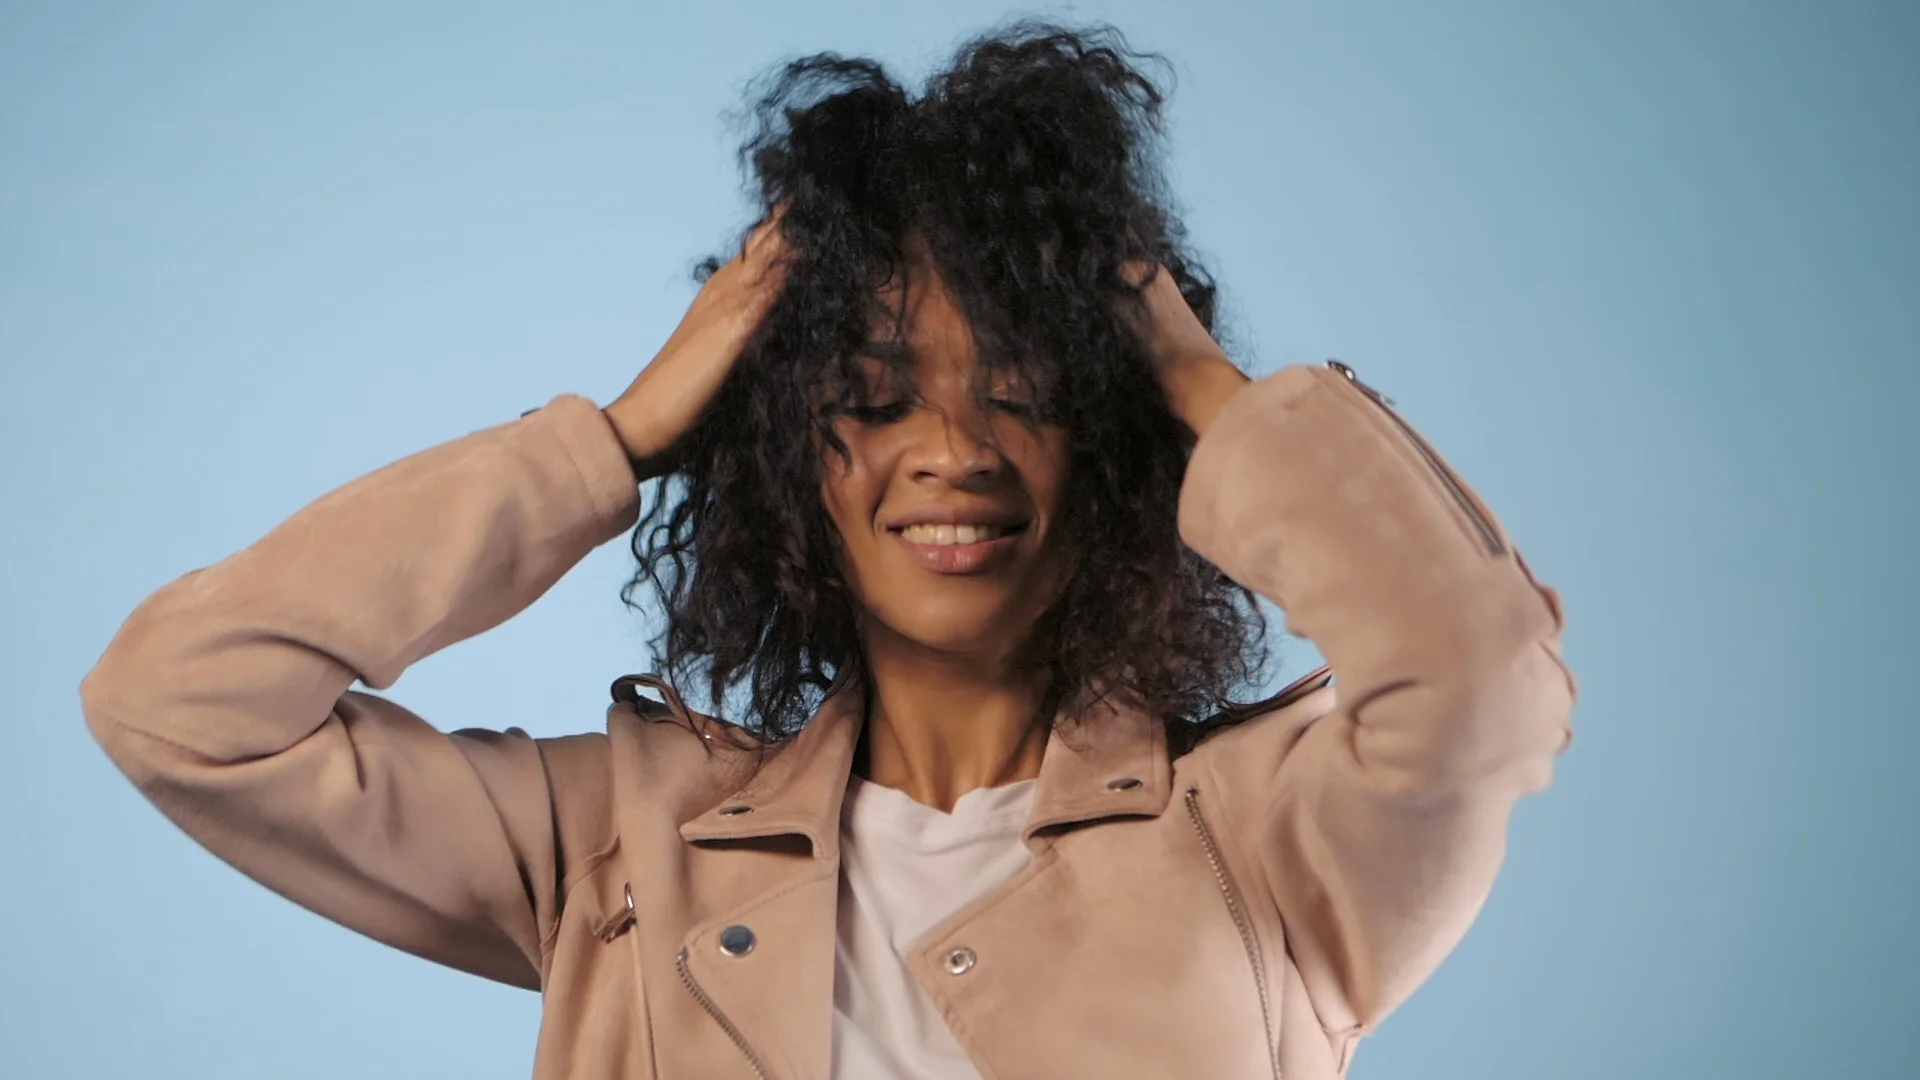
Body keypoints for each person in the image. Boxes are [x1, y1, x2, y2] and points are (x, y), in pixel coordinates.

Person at [81, 22, 1575, 1080]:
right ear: (791, 461)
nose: (954, 450)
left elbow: (1483, 676)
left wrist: (1197, 380)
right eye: (871, 397)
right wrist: (615, 439)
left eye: (1031, 392)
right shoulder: (621, 848)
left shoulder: (1271, 840)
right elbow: (182, 706)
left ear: (1117, 457)